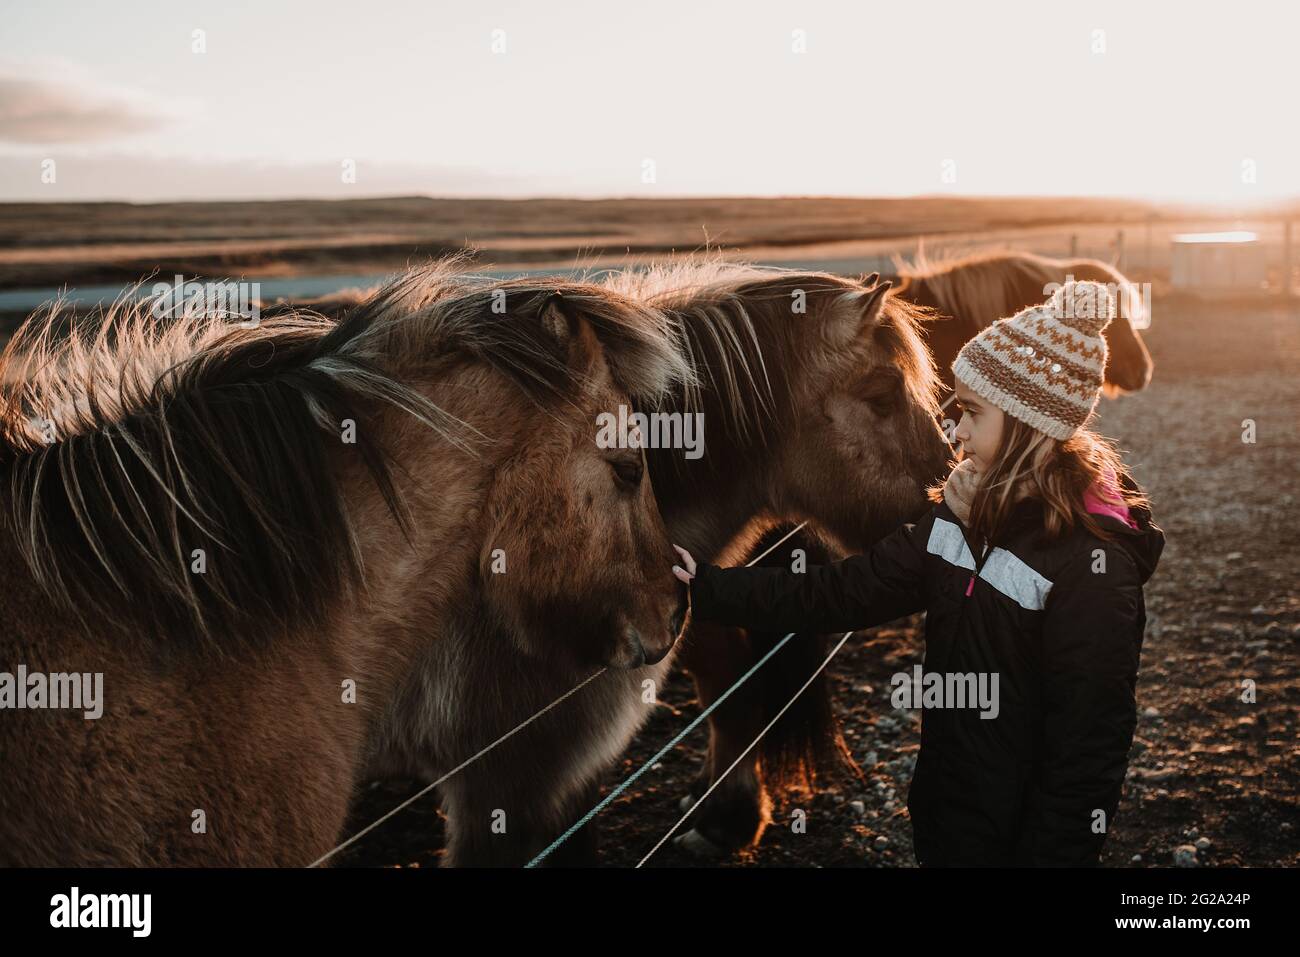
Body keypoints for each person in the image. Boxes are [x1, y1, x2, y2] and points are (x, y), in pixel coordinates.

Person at [672, 280, 1165, 867]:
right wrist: (706, 588)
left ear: (1027, 429)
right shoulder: (957, 519)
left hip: (1028, 827)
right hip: (949, 803)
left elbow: (1090, 741)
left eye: (972, 416)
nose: (952, 434)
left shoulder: (1093, 568)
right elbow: (845, 592)